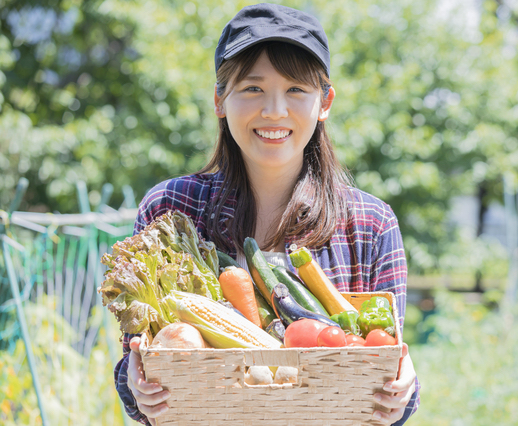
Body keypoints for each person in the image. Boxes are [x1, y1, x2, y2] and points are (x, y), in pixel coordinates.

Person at [114, 3, 420, 425]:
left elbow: (389, 364)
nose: (275, 110)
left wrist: (403, 392)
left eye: (296, 89)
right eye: (253, 88)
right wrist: (136, 387)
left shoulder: (371, 223)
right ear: (220, 99)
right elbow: (139, 356)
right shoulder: (170, 209)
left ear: (325, 101)